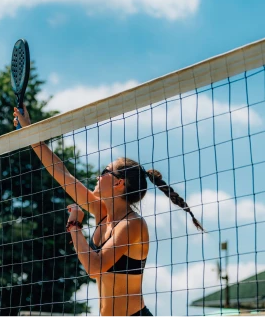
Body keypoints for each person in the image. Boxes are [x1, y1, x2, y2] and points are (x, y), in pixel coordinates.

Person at [13, 106, 204, 317]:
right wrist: (31, 135)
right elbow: (63, 174)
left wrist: (75, 226)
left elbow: (95, 269)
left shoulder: (132, 224)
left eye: (105, 171)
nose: (98, 175)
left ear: (119, 183)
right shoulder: (103, 212)